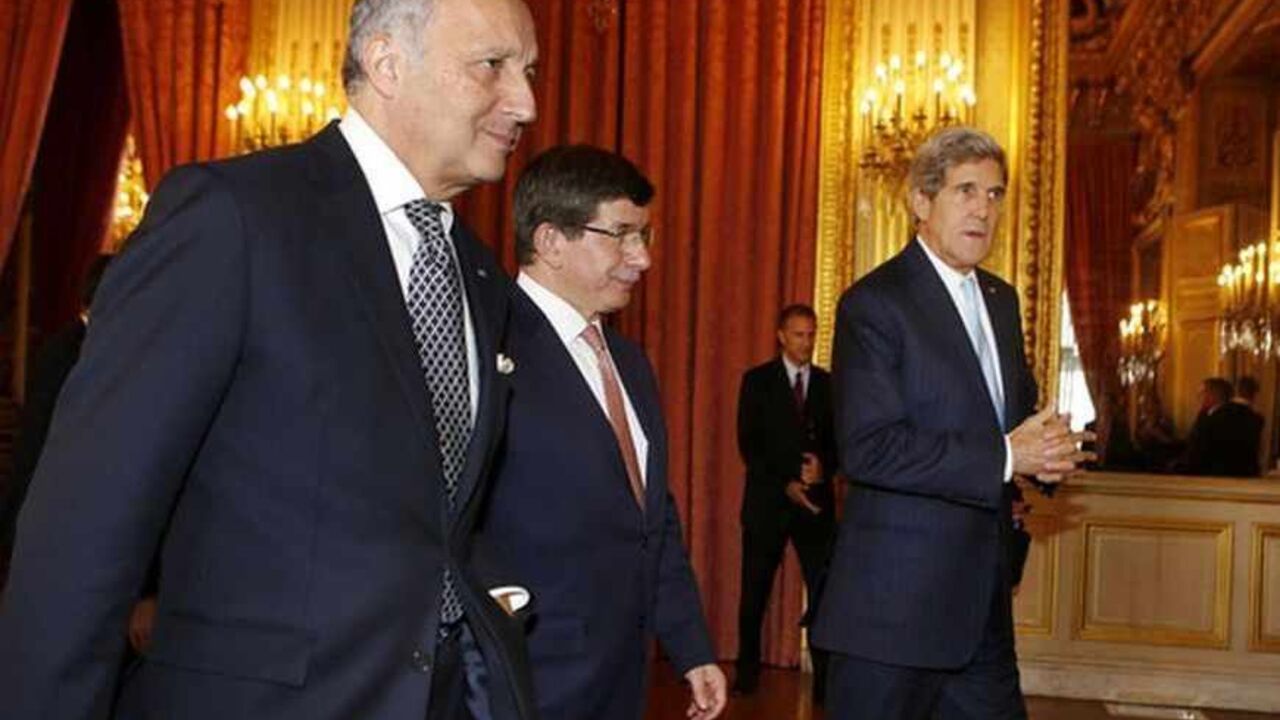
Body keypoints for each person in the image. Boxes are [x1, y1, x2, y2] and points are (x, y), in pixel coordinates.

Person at [0, 1, 540, 718]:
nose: (526, 102)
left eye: (529, 72)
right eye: (492, 67)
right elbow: (85, 525)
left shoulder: (477, 276)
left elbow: (441, 515)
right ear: (386, 62)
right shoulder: (234, 217)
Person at [811, 127, 1092, 719]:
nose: (983, 209)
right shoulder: (874, 304)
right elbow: (870, 449)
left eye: (994, 195)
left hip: (982, 613)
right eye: (965, 190)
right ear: (920, 201)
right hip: (891, 619)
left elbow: (1012, 420)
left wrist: (1051, 454)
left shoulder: (1002, 300)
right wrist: (1010, 457)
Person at [478, 144, 727, 720]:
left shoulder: (629, 363)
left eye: (645, 237)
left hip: (622, 676)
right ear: (550, 241)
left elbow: (650, 519)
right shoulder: (488, 346)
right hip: (524, 681)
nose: (641, 259)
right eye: (621, 234)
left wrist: (691, 650)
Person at [733, 303, 836, 700]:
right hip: (768, 504)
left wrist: (822, 470)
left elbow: (841, 443)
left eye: (811, 335)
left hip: (816, 508)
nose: (806, 342)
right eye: (798, 334)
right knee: (754, 592)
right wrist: (786, 483)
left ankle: (824, 683)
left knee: (825, 594)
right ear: (781, 335)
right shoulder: (757, 381)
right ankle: (746, 673)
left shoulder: (829, 385)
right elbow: (749, 443)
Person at [1183, 376, 1262, 477]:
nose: (1198, 397)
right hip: (1243, 477)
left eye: (1201, 393)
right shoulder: (1248, 416)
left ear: (1212, 395)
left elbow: (1197, 454)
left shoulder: (1212, 420)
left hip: (1211, 478)